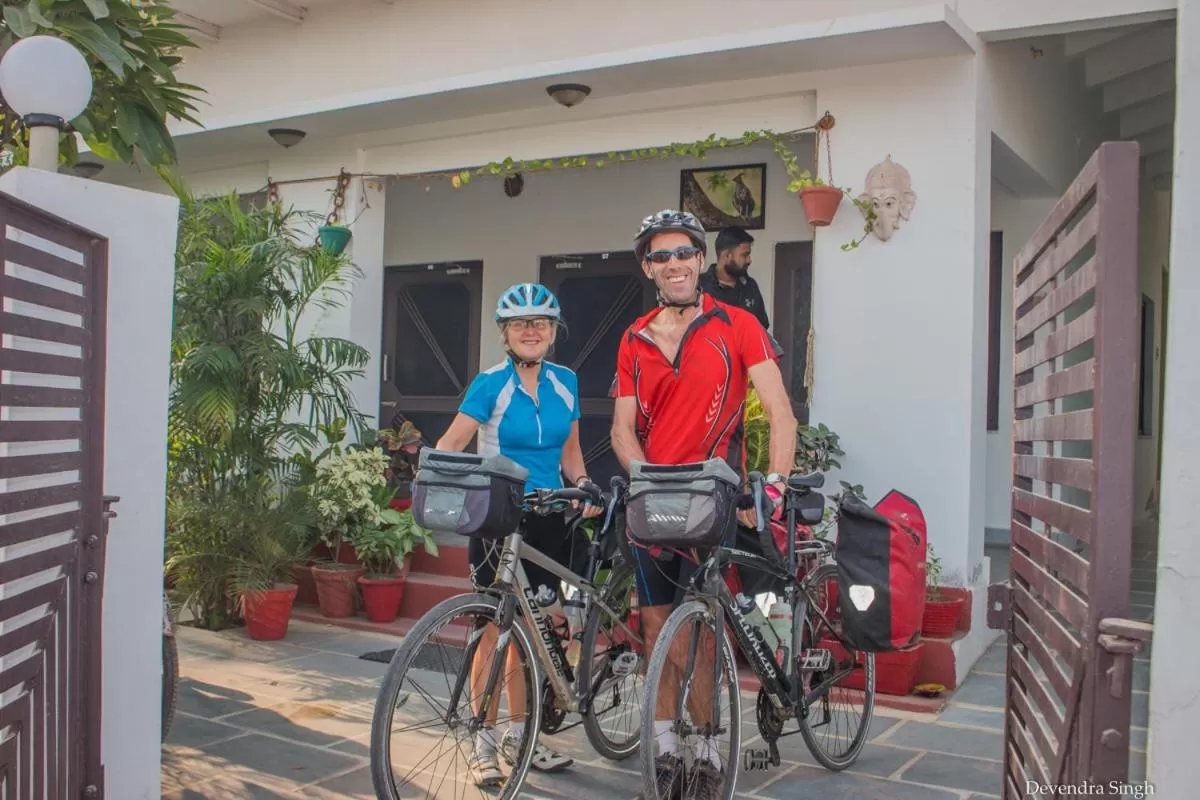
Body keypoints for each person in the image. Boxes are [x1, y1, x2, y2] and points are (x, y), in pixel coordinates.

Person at [611, 210, 797, 799]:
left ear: (700, 261)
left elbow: (780, 410)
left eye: (683, 253)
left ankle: (711, 748)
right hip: (655, 501)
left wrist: (773, 484)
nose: (673, 264)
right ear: (649, 268)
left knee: (705, 633)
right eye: (660, 256)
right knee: (654, 624)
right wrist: (645, 479)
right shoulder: (634, 336)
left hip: (715, 498)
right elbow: (621, 430)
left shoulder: (738, 324)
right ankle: (665, 748)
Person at [435, 282, 604, 787]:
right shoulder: (490, 384)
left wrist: (582, 484)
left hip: (549, 516)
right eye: (520, 324)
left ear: (553, 333)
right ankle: (483, 743)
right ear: (506, 334)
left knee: (531, 632)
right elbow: (451, 444)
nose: (531, 331)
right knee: (493, 628)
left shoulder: (566, 382)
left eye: (541, 323)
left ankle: (519, 735)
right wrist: (445, 482)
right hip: (498, 516)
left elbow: (570, 453)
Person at [698, 227, 770, 330]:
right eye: (744, 255)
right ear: (726, 256)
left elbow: (762, 327)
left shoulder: (750, 285)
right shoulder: (699, 286)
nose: (749, 260)